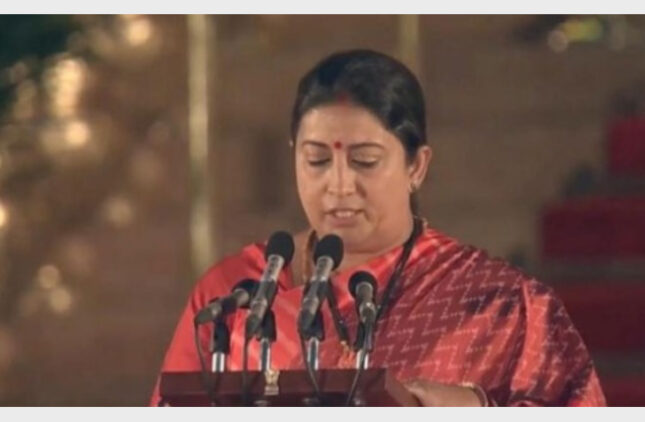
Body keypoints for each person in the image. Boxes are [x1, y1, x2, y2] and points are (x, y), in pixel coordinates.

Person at [149, 49, 606, 407]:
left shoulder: (501, 305)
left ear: (416, 166)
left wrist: (479, 408)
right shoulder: (235, 295)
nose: (338, 185)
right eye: (317, 160)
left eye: (365, 161)